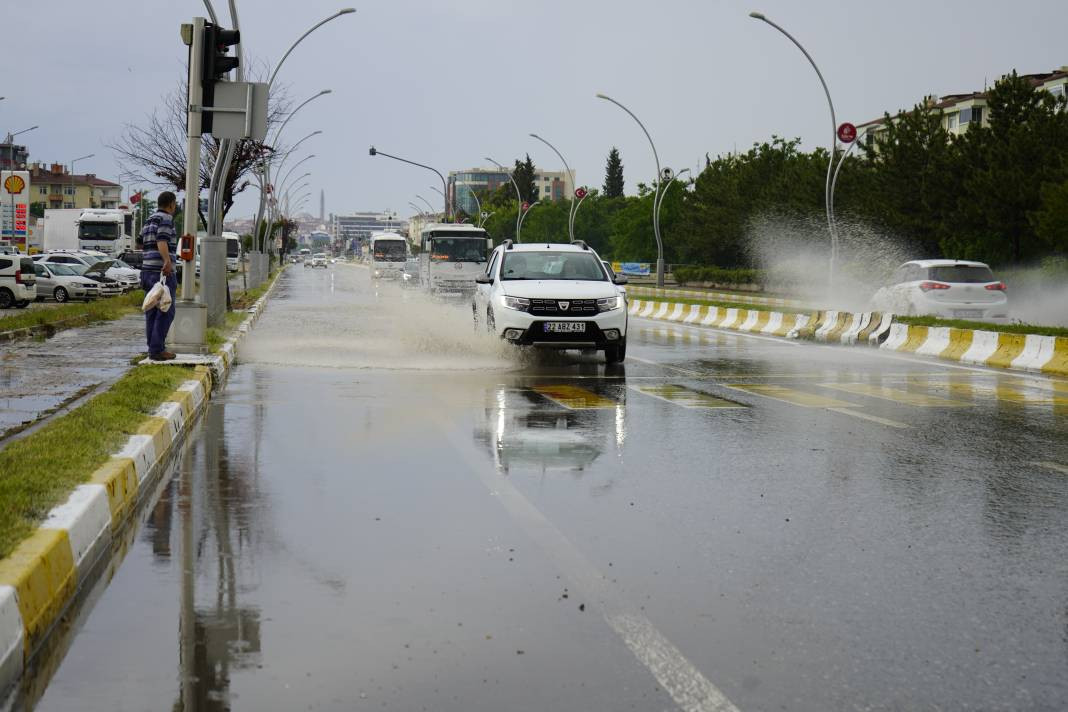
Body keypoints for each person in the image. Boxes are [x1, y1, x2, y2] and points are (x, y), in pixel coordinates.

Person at [139, 191, 185, 361]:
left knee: (151, 309)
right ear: (171, 204)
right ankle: (158, 349)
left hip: (147, 270)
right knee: (167, 309)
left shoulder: (149, 219)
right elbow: (162, 240)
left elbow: (140, 240)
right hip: (162, 272)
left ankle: (153, 348)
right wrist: (166, 261)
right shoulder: (166, 219)